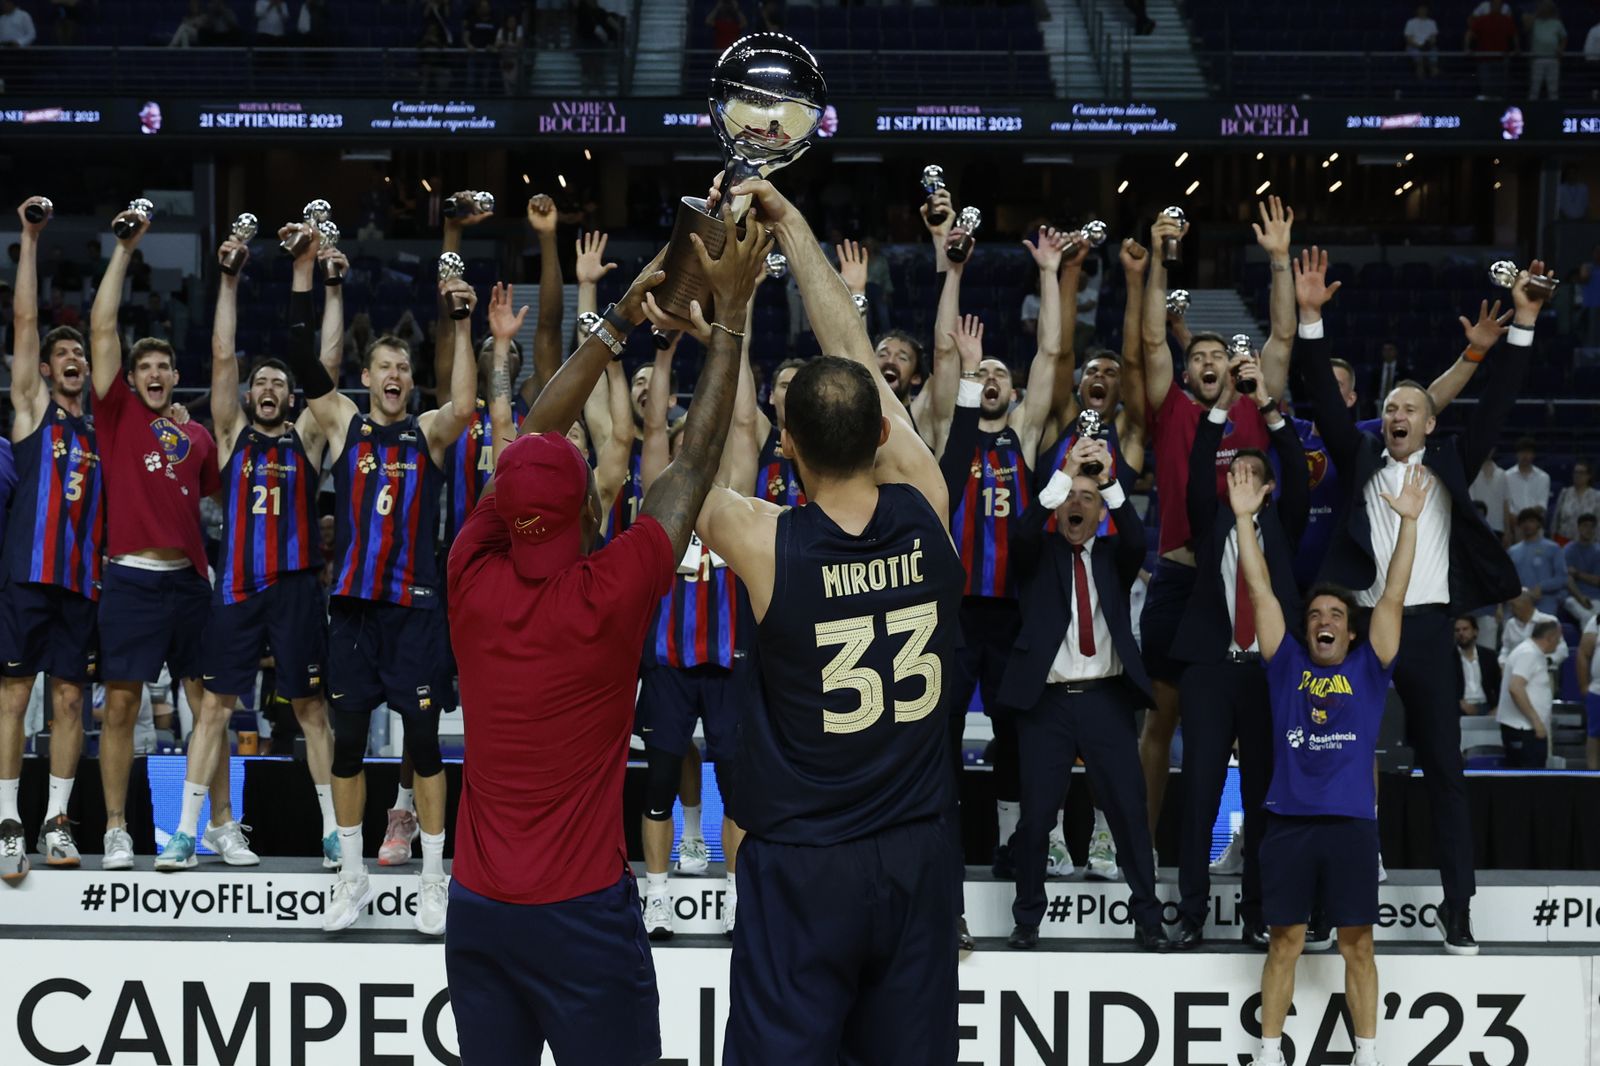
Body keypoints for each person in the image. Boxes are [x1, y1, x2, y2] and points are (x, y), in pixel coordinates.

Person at [444, 210, 759, 1065]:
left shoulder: (469, 571)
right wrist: (726, 318)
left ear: (503, 513)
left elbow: (538, 437)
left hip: (475, 910)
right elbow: (690, 470)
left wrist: (617, 319)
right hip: (580, 916)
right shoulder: (609, 591)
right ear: (590, 508)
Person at [695, 176, 965, 1065]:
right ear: (886, 433)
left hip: (808, 865)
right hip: (918, 855)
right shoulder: (929, 505)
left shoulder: (766, 543)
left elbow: (686, 472)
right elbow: (848, 345)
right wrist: (796, 222)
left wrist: (723, 318)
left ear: (788, 447)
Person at [1291, 246, 1536, 956]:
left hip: (1428, 632)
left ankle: (1458, 910)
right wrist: (1311, 319)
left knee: (1447, 777)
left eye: (1412, 407)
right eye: (1391, 406)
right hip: (1362, 631)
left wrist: (1521, 325)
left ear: (1430, 424)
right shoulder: (1360, 459)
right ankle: (1323, 907)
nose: (1399, 413)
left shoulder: (1453, 464)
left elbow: (1498, 400)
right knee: (1332, 768)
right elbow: (1315, 385)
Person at [282, 227, 478, 936]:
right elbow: (303, 358)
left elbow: (464, 406)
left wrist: (462, 320)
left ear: (409, 377)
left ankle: (434, 878)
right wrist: (303, 272)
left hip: (415, 612)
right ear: (367, 377)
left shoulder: (426, 429)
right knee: (347, 741)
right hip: (354, 613)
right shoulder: (342, 420)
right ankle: (352, 877)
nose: (394, 373)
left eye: (403, 365)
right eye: (384, 365)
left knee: (423, 746)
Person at [154, 227, 344, 873]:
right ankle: (184, 832)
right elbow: (219, 354)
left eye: (276, 382)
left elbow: (329, 367)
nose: (265, 386)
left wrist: (328, 285)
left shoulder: (309, 438)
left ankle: (332, 831)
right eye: (258, 380)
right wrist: (229, 281)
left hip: (293, 588)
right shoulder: (230, 431)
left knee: (312, 706)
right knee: (213, 706)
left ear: (290, 395)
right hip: (236, 587)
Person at [1241, 455, 1430, 1066]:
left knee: (1358, 946)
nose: (1324, 621)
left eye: (1336, 617)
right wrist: (1246, 520)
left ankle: (1368, 1055)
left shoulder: (1369, 668)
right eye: (1316, 615)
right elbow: (1260, 589)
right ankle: (1270, 1053)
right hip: (1289, 823)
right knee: (1284, 942)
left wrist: (1408, 525)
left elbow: (1394, 595)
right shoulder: (1286, 665)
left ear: (1351, 634)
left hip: (1351, 826)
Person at [1137, 199, 1296, 854]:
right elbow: (1151, 340)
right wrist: (1155, 256)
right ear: (1188, 367)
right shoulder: (1171, 409)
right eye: (1196, 352)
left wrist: (1281, 262)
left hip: (1247, 591)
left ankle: (1245, 850)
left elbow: (1282, 339)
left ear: (1233, 366)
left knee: (1251, 727)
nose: (1207, 360)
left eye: (1217, 353)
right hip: (1180, 582)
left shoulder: (1258, 410)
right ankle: (1140, 850)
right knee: (1162, 718)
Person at [924, 227, 1071, 888]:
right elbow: (940, 357)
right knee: (944, 735)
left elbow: (1053, 352)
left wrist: (1049, 273)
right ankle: (941, 842)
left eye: (998, 374)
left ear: (1013, 393)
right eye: (981, 372)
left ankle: (1016, 843)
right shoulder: (947, 432)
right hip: (952, 614)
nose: (988, 379)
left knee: (1014, 733)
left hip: (1013, 612)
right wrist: (952, 274)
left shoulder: (1025, 434)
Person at [997, 433, 1169, 954]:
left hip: (1106, 698)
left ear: (1102, 514)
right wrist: (1066, 473)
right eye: (1070, 496)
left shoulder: (1117, 556)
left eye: (1087, 498)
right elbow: (1022, 531)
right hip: (1046, 703)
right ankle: (1027, 918)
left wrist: (1109, 479)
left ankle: (1148, 920)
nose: (1077, 503)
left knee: (1129, 815)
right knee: (1035, 820)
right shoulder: (1037, 553)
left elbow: (1139, 537)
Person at [89, 203, 222, 871]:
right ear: (130, 376)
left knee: (207, 709)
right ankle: (117, 828)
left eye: (166, 366)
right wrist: (125, 250)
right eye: (146, 366)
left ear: (174, 376)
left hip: (188, 586)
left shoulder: (191, 435)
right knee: (120, 705)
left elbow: (212, 491)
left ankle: (213, 826)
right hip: (132, 579)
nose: (156, 373)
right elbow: (103, 325)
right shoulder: (113, 415)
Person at [1170, 362, 1307, 951]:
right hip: (1209, 671)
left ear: (1270, 487)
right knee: (1199, 793)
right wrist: (1223, 403)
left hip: (1267, 677)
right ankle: (1192, 913)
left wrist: (1270, 410)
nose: (1244, 479)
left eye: (1256, 472)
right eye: (1237, 472)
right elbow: (1201, 465)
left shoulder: (1285, 523)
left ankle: (1258, 913)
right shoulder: (1212, 519)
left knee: (1263, 798)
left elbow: (1298, 469)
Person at [0, 198, 101, 881]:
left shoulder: (103, 433)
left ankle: (56, 821)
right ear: (43, 369)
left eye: (79, 355)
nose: (71, 359)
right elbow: (27, 321)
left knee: (70, 702)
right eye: (61, 353)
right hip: (26, 576)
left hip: (81, 584)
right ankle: (8, 821)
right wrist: (29, 241)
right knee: (11, 697)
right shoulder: (32, 410)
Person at [1497, 620, 1561, 767]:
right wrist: (1536, 722)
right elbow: (1516, 688)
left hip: (1527, 729)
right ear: (1550, 637)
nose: (1559, 643)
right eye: (1558, 638)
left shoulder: (1532, 652)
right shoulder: (1528, 653)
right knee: (1529, 782)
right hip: (1524, 730)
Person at [1508, 507, 1571, 617]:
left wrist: (1541, 588)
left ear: (1539, 524)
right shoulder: (1512, 551)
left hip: (1545, 605)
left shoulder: (1553, 548)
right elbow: (1508, 580)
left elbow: (1562, 578)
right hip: (1519, 606)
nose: (1527, 525)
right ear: (1519, 525)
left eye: (1531, 521)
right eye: (1524, 522)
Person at [1467, 0, 1520, 99]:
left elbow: (1514, 35)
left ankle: (1500, 104)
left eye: (1499, 5)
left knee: (1500, 86)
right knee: (1486, 86)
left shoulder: (1506, 20)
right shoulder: (1483, 19)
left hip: (1501, 59)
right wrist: (1467, 48)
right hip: (1485, 59)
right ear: (1491, 6)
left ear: (1501, 7)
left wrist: (1517, 48)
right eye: (1495, 4)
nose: (1497, 6)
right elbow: (1470, 33)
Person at [1457, 615, 1502, 716]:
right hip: (1460, 708)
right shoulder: (1449, 658)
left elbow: (1498, 685)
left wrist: (1498, 707)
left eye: (1465, 629)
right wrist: (1458, 703)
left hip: (1487, 706)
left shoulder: (1489, 656)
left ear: (1475, 631)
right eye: (1457, 630)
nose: (1461, 633)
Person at [1528, 0, 1568, 100]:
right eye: (1543, 8)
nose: (1545, 10)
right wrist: (1536, 14)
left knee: (1553, 89)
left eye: (1547, 8)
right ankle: (1530, 110)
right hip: (1537, 58)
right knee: (1534, 88)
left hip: (1553, 58)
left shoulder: (1557, 23)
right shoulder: (1535, 22)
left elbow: (1564, 37)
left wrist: (1561, 49)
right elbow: (1526, 28)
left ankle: (1554, 111)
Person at [1554, 459, 1600, 541]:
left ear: (1588, 476)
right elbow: (1556, 521)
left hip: (1588, 542)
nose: (1577, 475)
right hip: (1564, 540)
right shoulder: (1565, 493)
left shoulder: (1596, 496)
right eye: (1576, 472)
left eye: (1581, 473)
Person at [1576, 615, 1600, 769]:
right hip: (1599, 691)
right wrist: (1584, 686)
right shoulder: (1597, 621)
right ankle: (1593, 775)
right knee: (1595, 734)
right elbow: (1583, 654)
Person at [1566, 513, 1600, 623]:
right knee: (1587, 618)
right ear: (1579, 528)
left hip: (1596, 597)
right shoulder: (1569, 550)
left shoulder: (1598, 551)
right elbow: (1567, 579)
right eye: (1585, 526)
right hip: (1573, 597)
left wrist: (1577, 574)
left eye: (1592, 526)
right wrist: (1581, 598)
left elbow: (1597, 581)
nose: (1589, 529)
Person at [1506, 436, 1550, 518]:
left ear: (1533, 455)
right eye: (1522, 452)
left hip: (1536, 521)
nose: (1525, 456)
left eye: (1528, 452)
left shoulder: (1543, 477)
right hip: (1513, 521)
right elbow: (1507, 504)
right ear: (1517, 454)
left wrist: (1526, 518)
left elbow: (1542, 504)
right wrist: (1517, 519)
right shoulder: (1506, 476)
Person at [1471, 455, 1513, 542]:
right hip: (1477, 527)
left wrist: (1507, 531)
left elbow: (1505, 504)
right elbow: (1470, 502)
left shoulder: (1502, 474)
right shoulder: (1472, 472)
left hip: (1498, 527)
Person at [1406, 3, 1441, 79]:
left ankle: (1435, 83)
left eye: (1424, 9)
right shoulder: (1411, 22)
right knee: (1419, 62)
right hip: (1414, 47)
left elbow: (1433, 38)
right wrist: (1418, 46)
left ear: (1427, 10)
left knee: (1433, 63)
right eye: (1421, 9)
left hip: (1429, 47)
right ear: (1417, 10)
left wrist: (1428, 45)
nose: (1422, 11)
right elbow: (1408, 39)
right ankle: (1420, 82)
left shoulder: (1432, 23)